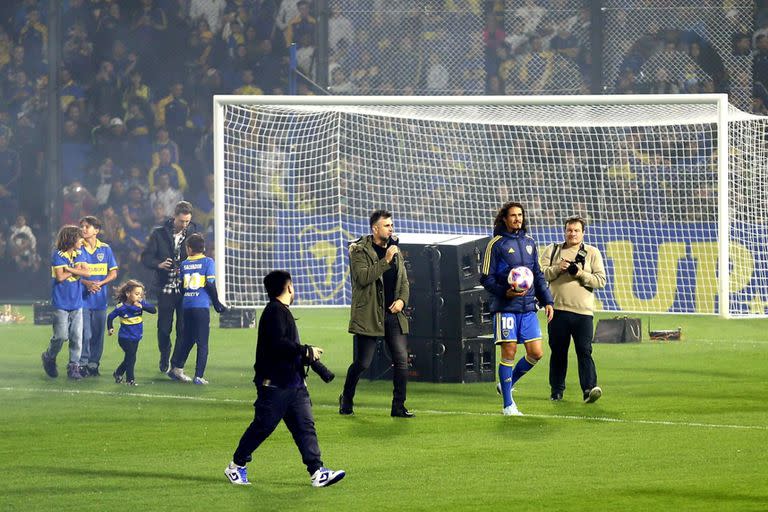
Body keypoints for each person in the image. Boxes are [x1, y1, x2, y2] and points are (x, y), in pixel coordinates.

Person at [225, 270, 345, 488]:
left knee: (305, 427)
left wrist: (309, 359)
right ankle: (236, 466)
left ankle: (317, 471)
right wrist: (306, 350)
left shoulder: (281, 312)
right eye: (293, 285)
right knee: (263, 426)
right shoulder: (274, 312)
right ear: (289, 287)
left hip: (294, 383)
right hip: (275, 385)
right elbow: (279, 344)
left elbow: (288, 347)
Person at [480, 201, 554, 416]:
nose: (517, 219)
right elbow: (486, 278)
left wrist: (548, 301)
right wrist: (506, 291)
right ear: (504, 218)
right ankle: (508, 405)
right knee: (509, 351)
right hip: (506, 308)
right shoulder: (496, 244)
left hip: (528, 307)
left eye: (520, 215)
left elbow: (538, 276)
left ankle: (507, 381)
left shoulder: (530, 242)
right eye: (513, 215)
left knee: (536, 353)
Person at [339, 209, 412, 418]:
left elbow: (404, 281)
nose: (391, 228)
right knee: (363, 363)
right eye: (387, 225)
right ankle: (346, 398)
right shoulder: (359, 250)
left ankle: (398, 406)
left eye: (391, 225)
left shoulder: (394, 249)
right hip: (370, 314)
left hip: (392, 314)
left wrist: (401, 300)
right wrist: (386, 260)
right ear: (375, 228)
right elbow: (362, 278)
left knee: (401, 360)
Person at [540, 216, 607, 403]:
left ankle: (589, 389)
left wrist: (580, 274)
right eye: (569, 230)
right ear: (564, 231)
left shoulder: (592, 252)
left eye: (576, 230)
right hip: (557, 310)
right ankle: (556, 391)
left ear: (583, 233)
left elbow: (601, 280)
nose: (572, 233)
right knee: (558, 352)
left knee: (585, 350)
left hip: (583, 312)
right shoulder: (552, 250)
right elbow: (540, 274)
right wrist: (557, 269)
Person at [140, 200, 201, 373]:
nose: (184, 225)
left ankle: (175, 362)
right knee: (164, 328)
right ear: (174, 217)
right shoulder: (158, 234)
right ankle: (164, 353)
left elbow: (201, 257)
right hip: (165, 288)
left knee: (183, 328)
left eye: (187, 221)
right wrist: (159, 264)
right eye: (181, 221)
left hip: (184, 289)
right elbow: (146, 258)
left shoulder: (193, 234)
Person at [168, 233, 226, 384]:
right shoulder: (208, 262)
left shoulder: (184, 264)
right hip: (201, 307)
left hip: (187, 306)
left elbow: (181, 287)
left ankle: (177, 369)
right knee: (202, 342)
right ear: (203, 248)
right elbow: (210, 284)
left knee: (188, 339)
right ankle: (199, 376)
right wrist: (217, 303)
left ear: (188, 249)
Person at [41, 225, 92, 380]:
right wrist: (76, 268)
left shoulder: (79, 253)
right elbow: (60, 277)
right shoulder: (58, 254)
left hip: (77, 302)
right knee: (61, 336)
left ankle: (73, 367)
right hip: (61, 303)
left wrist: (69, 269)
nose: (82, 241)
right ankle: (49, 356)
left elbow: (87, 273)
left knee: (77, 336)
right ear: (71, 239)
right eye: (79, 238)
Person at [77, 215, 119, 376]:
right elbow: (71, 274)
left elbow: (113, 272)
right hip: (82, 299)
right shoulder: (77, 248)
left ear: (97, 230)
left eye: (87, 226)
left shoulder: (105, 249)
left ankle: (93, 364)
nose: (83, 229)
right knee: (85, 333)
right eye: (82, 226)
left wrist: (100, 284)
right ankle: (82, 363)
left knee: (98, 334)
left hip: (100, 299)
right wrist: (87, 283)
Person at [107, 280, 157, 386]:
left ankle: (118, 373)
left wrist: (143, 306)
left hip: (136, 337)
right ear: (128, 294)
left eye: (140, 294)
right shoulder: (121, 307)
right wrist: (110, 328)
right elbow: (110, 317)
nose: (139, 296)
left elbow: (153, 310)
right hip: (125, 338)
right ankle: (130, 380)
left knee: (129, 358)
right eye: (136, 294)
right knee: (132, 358)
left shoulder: (141, 304)